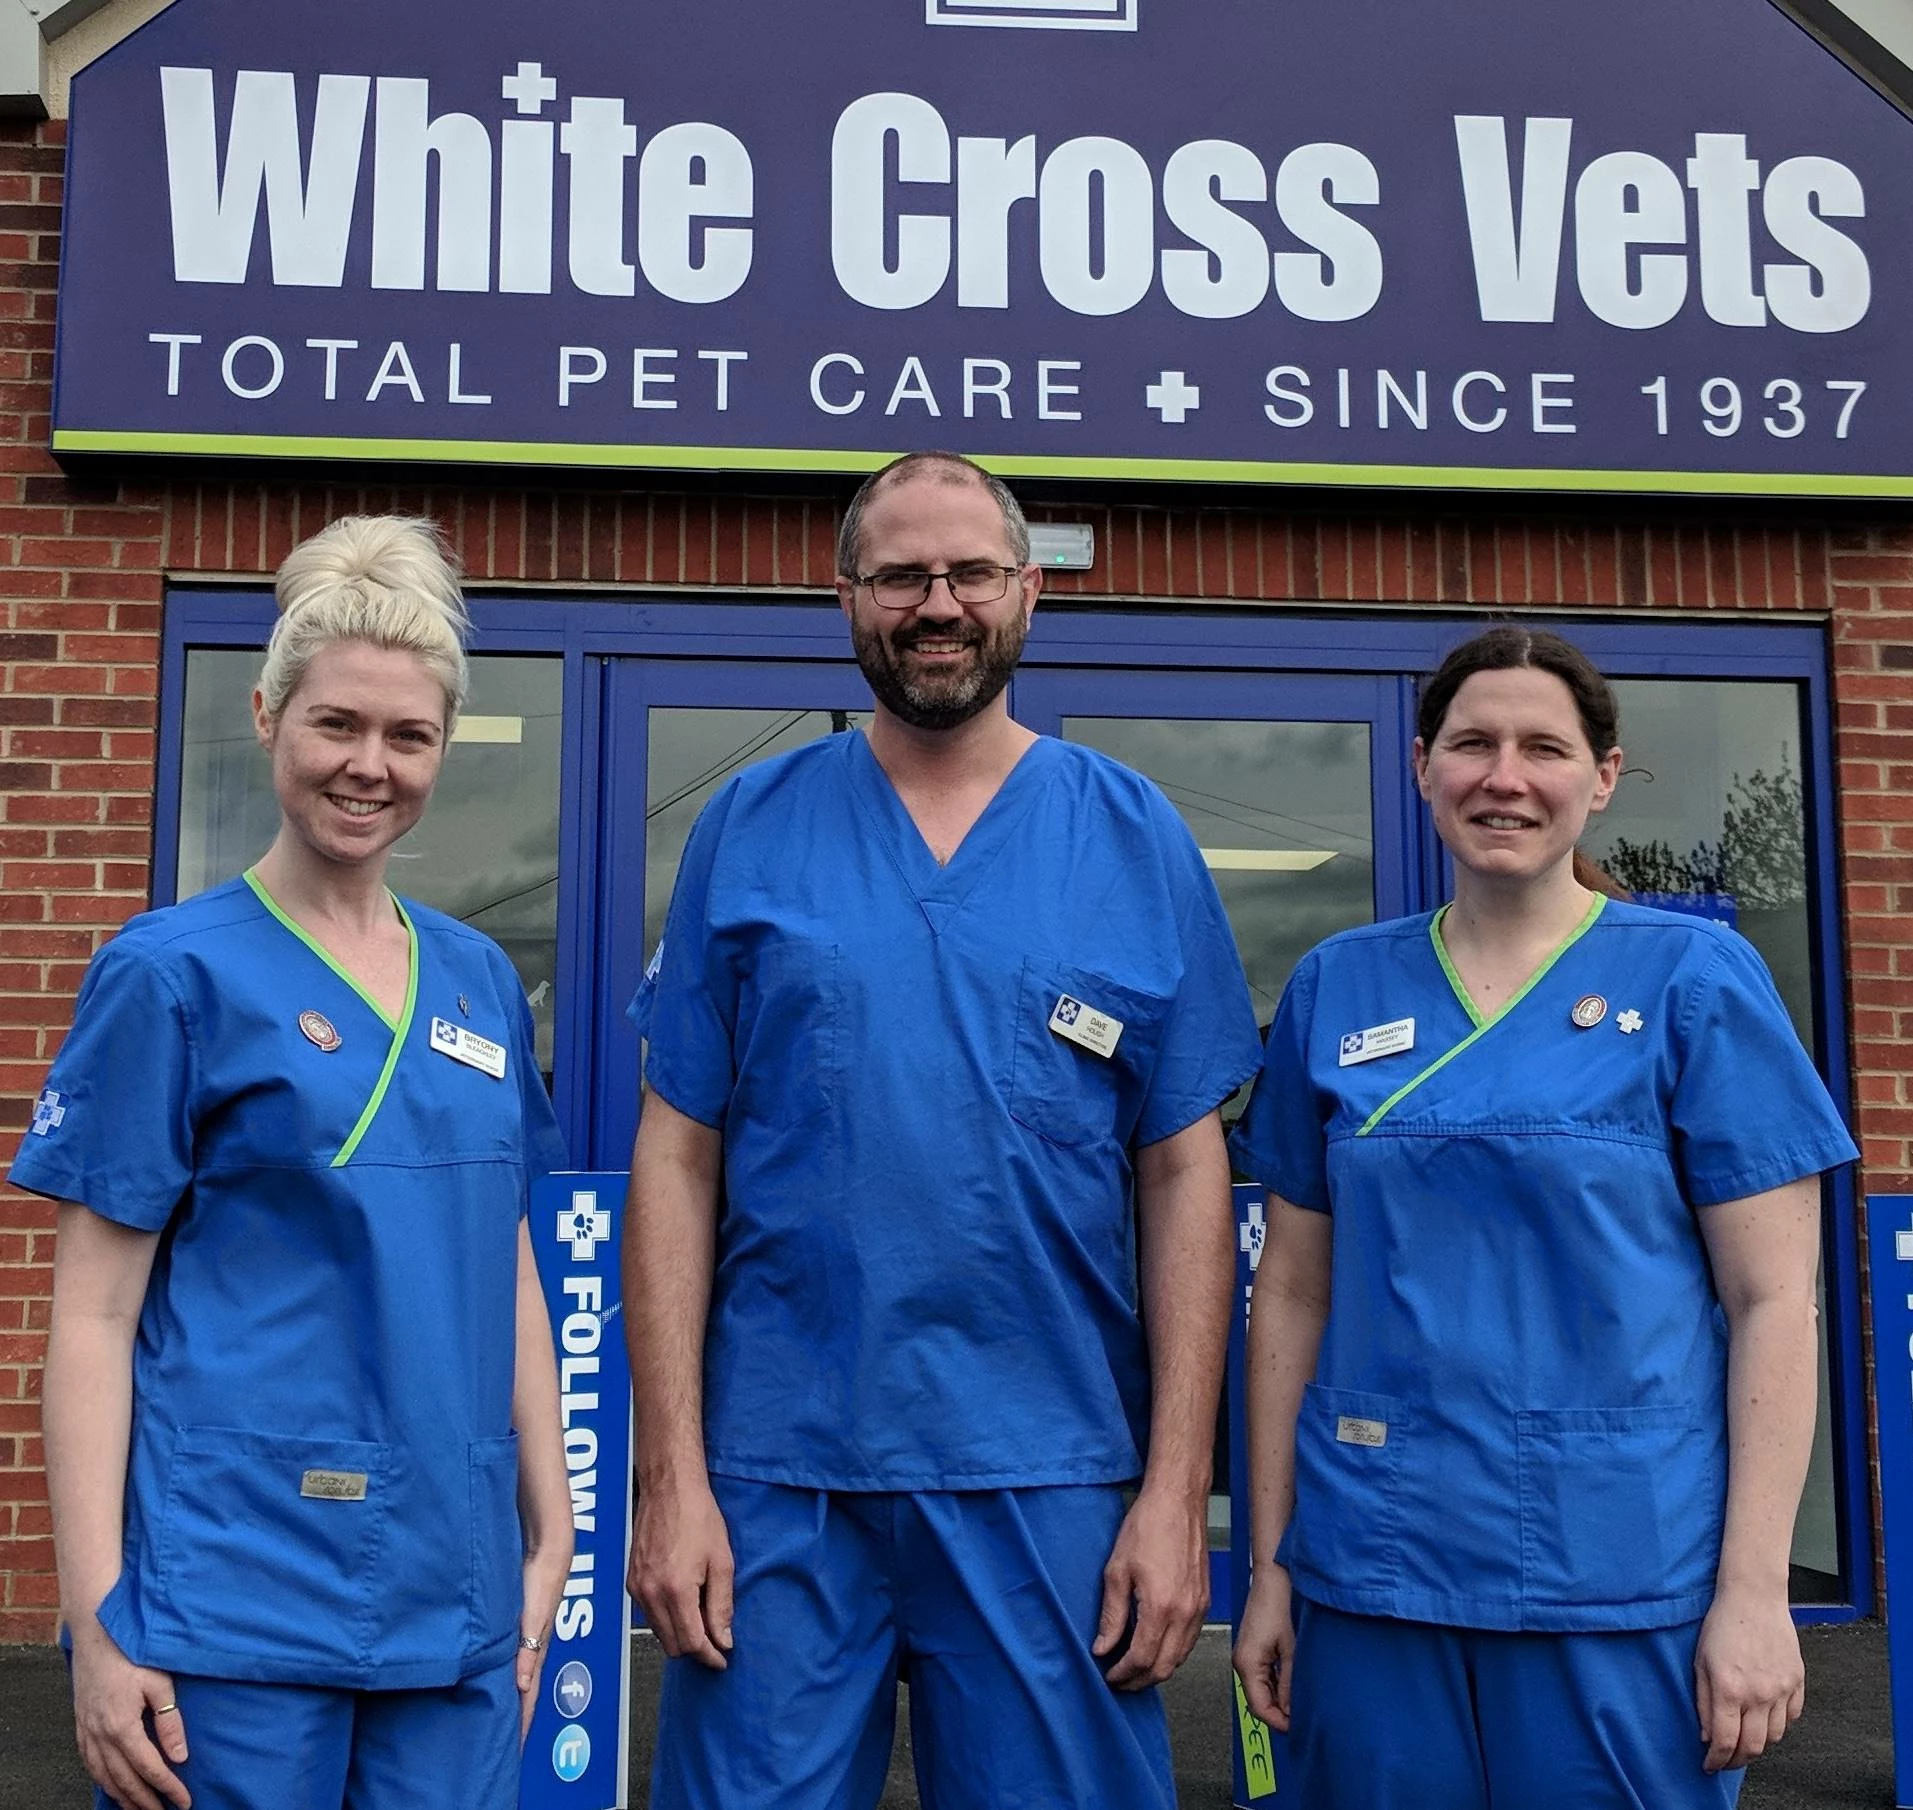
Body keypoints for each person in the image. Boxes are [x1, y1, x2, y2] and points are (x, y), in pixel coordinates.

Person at [623, 451, 1261, 1809]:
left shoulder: (1131, 834)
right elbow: (676, 1154)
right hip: (778, 1474)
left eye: (970, 571)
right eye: (902, 573)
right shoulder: (747, 826)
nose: (938, 602)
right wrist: (668, 1473)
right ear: (847, 596)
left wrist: (1174, 1489)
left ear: (1027, 590)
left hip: (1052, 1470)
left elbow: (1183, 1168)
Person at [1229, 626, 1858, 1808]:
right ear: (1421, 764)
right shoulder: (1333, 985)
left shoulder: (1690, 982)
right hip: (1374, 1565)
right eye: (1470, 743)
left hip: (1620, 1575)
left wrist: (1753, 1590)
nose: (1501, 776)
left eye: (1541, 747)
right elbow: (1294, 1297)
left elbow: (1773, 1301)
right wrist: (1269, 1568)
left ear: (1601, 776)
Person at [15, 517, 572, 1810]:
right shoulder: (169, 972)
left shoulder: (483, 979)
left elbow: (509, 1264)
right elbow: (93, 1315)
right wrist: (98, 1617)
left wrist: (553, 1540)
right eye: (337, 724)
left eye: (409, 736)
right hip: (232, 1586)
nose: (368, 765)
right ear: (267, 714)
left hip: (456, 1586)